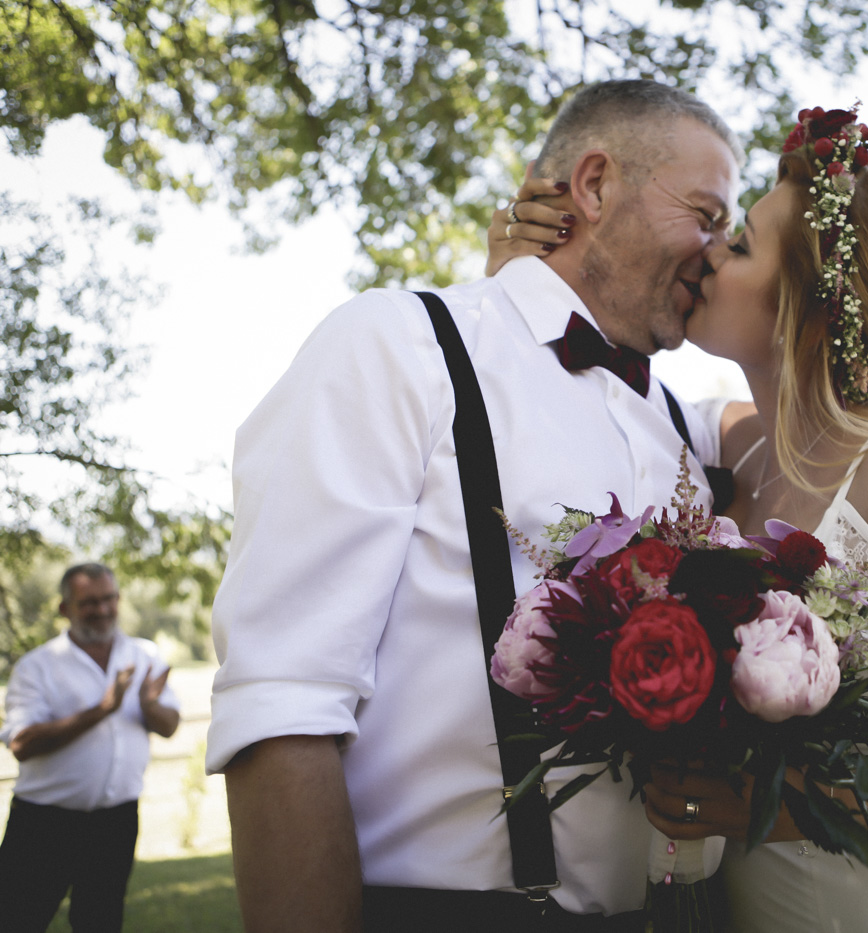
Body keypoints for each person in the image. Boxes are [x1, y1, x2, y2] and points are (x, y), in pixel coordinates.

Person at [205, 79, 742, 932]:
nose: (718, 252)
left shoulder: (689, 425)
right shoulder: (399, 345)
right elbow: (283, 703)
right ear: (595, 186)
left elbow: (827, 428)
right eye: (708, 215)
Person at [490, 106, 868, 932]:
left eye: (738, 244)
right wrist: (521, 284)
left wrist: (767, 805)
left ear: (805, 309)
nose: (707, 252)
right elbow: (578, 392)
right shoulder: (726, 445)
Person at [0, 562, 181, 933]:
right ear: (65, 608)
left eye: (108, 599)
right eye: (89, 602)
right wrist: (102, 710)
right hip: (43, 824)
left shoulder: (144, 656)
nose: (101, 609)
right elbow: (21, 743)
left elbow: (170, 726)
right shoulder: (38, 666)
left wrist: (149, 706)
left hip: (116, 822)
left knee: (100, 922)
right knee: (16, 920)